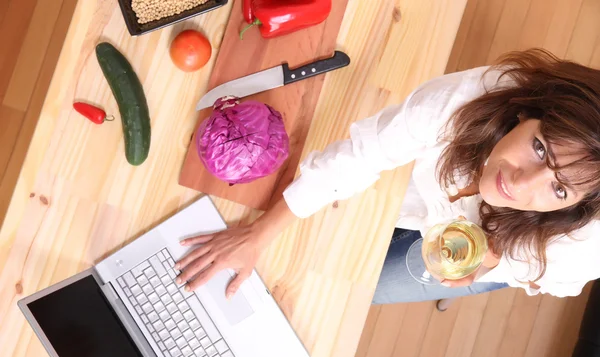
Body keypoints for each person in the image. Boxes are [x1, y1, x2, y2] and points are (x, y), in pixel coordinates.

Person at [174, 48, 600, 304]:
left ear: (575, 208)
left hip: (488, 250)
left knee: (357, 291)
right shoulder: (470, 101)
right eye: (539, 147)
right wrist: (256, 235)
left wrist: (492, 258)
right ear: (528, 112)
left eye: (558, 188)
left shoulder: (583, 243)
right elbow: (364, 155)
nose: (521, 183)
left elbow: (552, 280)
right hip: (416, 192)